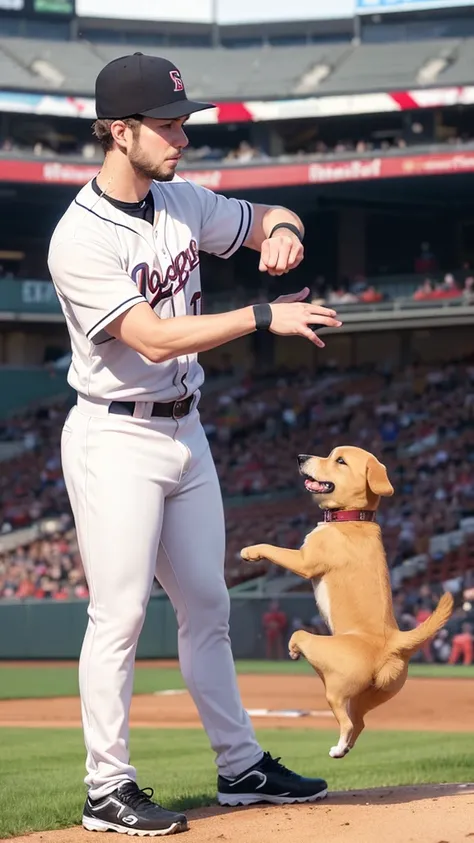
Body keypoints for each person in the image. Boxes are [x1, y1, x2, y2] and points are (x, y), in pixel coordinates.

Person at [47, 53, 340, 837]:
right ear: (118, 130)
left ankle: (240, 766)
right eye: (169, 124)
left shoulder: (181, 202)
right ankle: (107, 788)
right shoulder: (79, 236)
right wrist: (259, 315)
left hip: (187, 429)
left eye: (184, 121)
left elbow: (270, 218)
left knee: (207, 606)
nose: (183, 135)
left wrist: (282, 232)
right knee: (118, 616)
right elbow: (149, 337)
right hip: (115, 435)